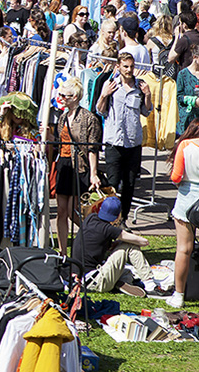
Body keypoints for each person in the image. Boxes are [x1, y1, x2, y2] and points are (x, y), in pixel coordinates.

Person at [97, 52, 152, 220]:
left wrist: (148, 95)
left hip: (133, 142)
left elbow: (146, 111)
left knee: (129, 184)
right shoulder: (111, 84)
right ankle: (108, 218)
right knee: (113, 183)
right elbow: (100, 110)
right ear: (118, 67)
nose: (129, 70)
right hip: (114, 141)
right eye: (125, 66)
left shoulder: (139, 87)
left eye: (131, 67)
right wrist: (104, 94)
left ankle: (124, 218)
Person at [53, 77, 103, 256]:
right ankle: (62, 251)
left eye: (64, 96)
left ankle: (93, 239)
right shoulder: (62, 117)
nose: (61, 99)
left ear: (75, 97)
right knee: (61, 211)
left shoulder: (89, 118)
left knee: (75, 211)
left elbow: (92, 148)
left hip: (80, 167)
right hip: (64, 165)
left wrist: (94, 173)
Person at [72, 196, 159, 297]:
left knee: (126, 271)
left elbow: (103, 244)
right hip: (95, 281)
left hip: (82, 277)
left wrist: (118, 243)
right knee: (129, 245)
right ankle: (149, 284)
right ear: (117, 215)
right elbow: (143, 242)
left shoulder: (90, 219)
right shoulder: (108, 229)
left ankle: (121, 282)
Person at [167, 121, 199, 309]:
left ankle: (179, 294)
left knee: (183, 250)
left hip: (187, 200)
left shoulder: (185, 145)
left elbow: (175, 177)